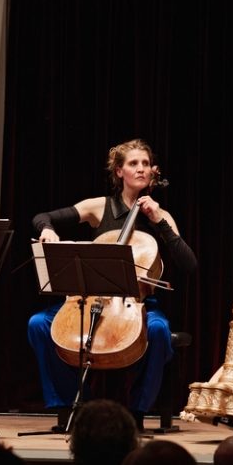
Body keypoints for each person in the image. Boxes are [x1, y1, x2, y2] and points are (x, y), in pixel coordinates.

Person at [27, 139, 197, 427]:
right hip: (91, 300)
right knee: (38, 324)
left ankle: (136, 412)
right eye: (133, 163)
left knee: (157, 330)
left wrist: (160, 222)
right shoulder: (99, 207)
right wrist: (47, 231)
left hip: (138, 304)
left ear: (153, 171)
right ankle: (79, 403)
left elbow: (189, 264)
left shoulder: (160, 216)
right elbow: (41, 217)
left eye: (145, 163)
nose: (141, 169)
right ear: (119, 171)